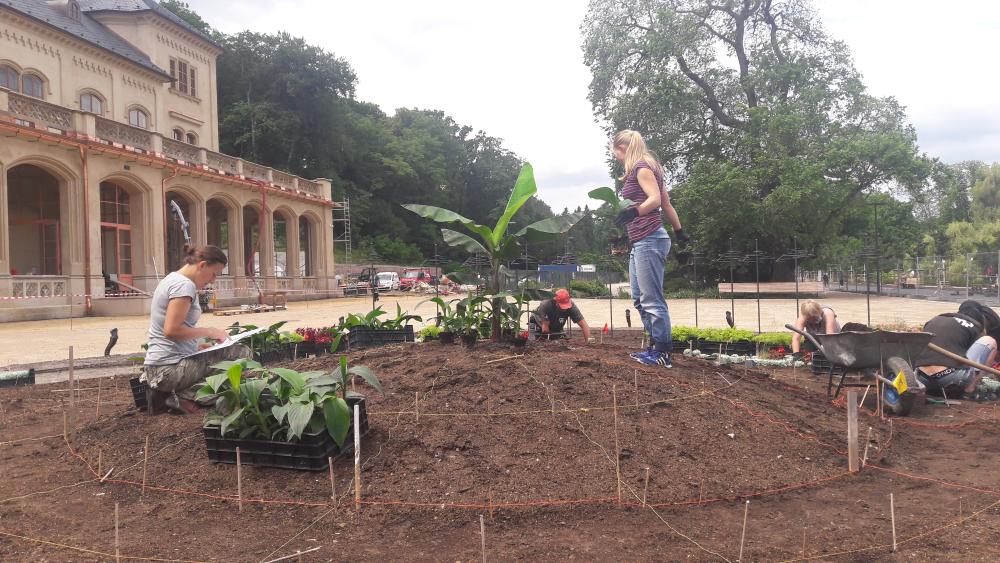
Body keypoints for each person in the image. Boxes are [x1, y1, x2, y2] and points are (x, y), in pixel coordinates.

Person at [142, 244, 251, 414]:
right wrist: (209, 332)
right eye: (214, 274)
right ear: (202, 265)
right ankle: (187, 397)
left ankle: (185, 396)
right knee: (240, 352)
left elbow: (173, 331)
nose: (213, 280)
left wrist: (195, 346)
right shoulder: (184, 286)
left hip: (160, 367)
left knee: (221, 354)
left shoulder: (172, 279)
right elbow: (171, 331)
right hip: (168, 371)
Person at [610, 130, 688, 367]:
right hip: (643, 240)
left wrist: (633, 211)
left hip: (650, 238)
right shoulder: (651, 167)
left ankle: (663, 352)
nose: (615, 157)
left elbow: (655, 200)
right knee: (639, 298)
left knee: (652, 299)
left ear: (621, 149)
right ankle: (654, 346)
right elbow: (666, 203)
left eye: (614, 152)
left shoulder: (641, 168)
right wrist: (680, 233)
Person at [915, 301, 998, 401]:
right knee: (990, 341)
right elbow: (977, 354)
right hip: (951, 379)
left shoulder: (934, 319)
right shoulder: (974, 325)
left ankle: (934, 389)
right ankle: (969, 390)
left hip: (921, 379)